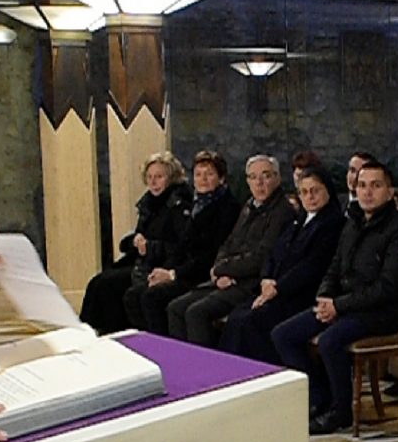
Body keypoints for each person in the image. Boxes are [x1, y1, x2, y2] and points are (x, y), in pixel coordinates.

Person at [278, 159, 398, 433]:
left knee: (331, 340)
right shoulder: (353, 222)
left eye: (376, 186)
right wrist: (325, 297)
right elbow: (334, 267)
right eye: (362, 186)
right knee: (284, 334)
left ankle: (340, 411)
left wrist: (338, 305)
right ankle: (320, 397)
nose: (367, 192)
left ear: (390, 192)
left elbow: (388, 287)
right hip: (343, 305)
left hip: (382, 312)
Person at [169, 155, 295, 347]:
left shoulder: (282, 211)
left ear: (277, 178)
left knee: (197, 312)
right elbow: (229, 243)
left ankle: (208, 371)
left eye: (266, 176)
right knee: (175, 308)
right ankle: (182, 366)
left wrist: (223, 269)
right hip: (227, 277)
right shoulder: (249, 206)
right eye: (253, 177)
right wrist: (219, 269)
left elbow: (262, 256)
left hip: (249, 283)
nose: (259, 183)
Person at [222, 168, 343, 363]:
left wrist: (276, 288)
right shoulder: (299, 219)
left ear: (327, 191)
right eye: (304, 192)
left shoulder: (333, 224)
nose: (310, 197)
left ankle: (266, 378)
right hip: (275, 290)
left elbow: (311, 266)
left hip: (300, 295)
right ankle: (233, 376)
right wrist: (266, 280)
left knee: (252, 322)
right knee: (237, 316)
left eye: (315, 191)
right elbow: (273, 253)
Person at [121, 149, 237, 334]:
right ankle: (149, 347)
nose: (203, 179)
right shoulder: (198, 205)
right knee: (133, 295)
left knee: (151, 298)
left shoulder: (226, 208)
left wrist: (173, 274)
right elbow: (181, 247)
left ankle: (166, 352)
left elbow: (209, 254)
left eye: (209, 174)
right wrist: (165, 271)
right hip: (182, 269)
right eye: (198, 174)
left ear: (221, 178)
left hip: (203, 274)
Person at [80, 152, 190, 334]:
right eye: (150, 177)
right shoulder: (149, 203)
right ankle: (93, 332)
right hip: (142, 261)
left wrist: (150, 247)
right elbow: (132, 240)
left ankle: (115, 334)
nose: (153, 182)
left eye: (159, 177)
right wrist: (135, 241)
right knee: (99, 282)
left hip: (161, 265)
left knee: (110, 285)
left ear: (171, 178)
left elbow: (180, 247)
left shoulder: (179, 205)